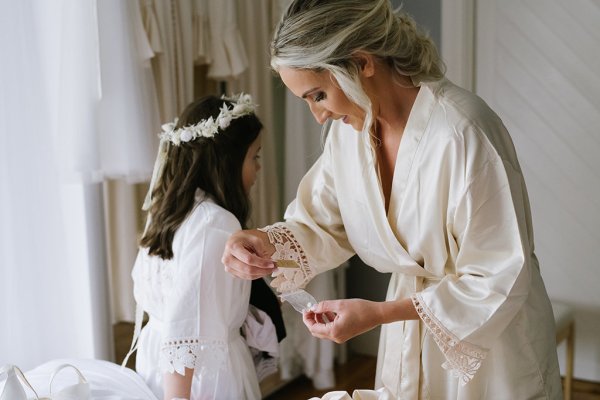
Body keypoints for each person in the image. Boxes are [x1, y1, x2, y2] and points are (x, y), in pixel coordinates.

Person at [221, 1, 562, 399]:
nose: (319, 116)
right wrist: (265, 243)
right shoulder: (349, 135)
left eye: (318, 95)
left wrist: (382, 314)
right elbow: (322, 223)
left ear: (362, 62)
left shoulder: (463, 131)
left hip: (488, 338)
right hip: (408, 327)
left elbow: (499, 273)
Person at [125, 93, 267, 400]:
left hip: (157, 364)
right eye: (254, 156)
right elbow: (184, 332)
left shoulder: (166, 210)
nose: (258, 168)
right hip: (196, 379)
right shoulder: (216, 223)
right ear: (227, 162)